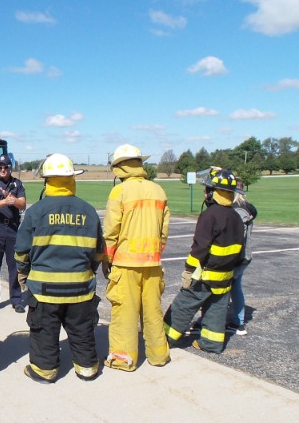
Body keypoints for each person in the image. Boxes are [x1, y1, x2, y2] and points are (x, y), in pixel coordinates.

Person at [14, 153, 104, 383]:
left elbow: (21, 251)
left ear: (47, 181)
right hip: (81, 289)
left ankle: (45, 371)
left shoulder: (36, 211)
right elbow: (98, 252)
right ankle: (87, 368)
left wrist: (23, 273)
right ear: (71, 179)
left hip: (44, 291)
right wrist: (89, 270)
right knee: (82, 330)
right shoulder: (89, 211)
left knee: (44, 331)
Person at [102, 144, 171, 371]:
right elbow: (163, 232)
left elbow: (111, 231)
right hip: (152, 264)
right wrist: (155, 253)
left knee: (125, 313)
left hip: (126, 264)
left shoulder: (120, 192)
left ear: (120, 168)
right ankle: (159, 355)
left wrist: (106, 259)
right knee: (153, 312)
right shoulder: (158, 191)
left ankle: (124, 359)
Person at [163, 168, 245, 353]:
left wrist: (189, 270)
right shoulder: (236, 216)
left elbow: (200, 247)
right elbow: (240, 250)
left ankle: (165, 338)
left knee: (183, 305)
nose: (204, 192)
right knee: (216, 309)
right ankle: (211, 344)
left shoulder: (210, 215)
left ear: (212, 192)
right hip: (225, 276)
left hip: (205, 275)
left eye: (207, 189)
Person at [0, 153, 27, 314]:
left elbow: (22, 204)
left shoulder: (18, 184)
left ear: (10, 168)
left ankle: (16, 299)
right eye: (0, 167)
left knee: (14, 266)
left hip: (12, 228)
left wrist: (13, 200)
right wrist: (5, 201)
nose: (3, 169)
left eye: (6, 167)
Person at [229, 191, 257, 335]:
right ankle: (238, 322)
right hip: (243, 256)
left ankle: (238, 323)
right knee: (235, 287)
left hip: (237, 257)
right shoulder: (245, 207)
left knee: (223, 287)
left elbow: (238, 236)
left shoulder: (238, 210)